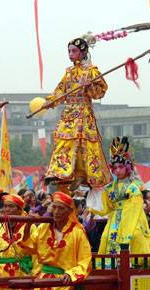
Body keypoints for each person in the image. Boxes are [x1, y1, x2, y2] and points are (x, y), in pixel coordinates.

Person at [43, 37, 112, 190]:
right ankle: (61, 171)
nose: (70, 54)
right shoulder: (68, 73)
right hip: (69, 112)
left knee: (83, 143)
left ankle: (83, 174)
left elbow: (100, 92)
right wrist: (50, 101)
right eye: (69, 51)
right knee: (63, 139)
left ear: (83, 52)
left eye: (74, 51)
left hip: (83, 112)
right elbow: (60, 91)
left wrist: (90, 86)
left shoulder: (91, 71)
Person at [33, 192, 92, 290]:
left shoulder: (77, 232)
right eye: (54, 207)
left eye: (61, 208)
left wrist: (72, 274)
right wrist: (29, 226)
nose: (57, 212)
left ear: (70, 211)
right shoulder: (43, 228)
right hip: (45, 282)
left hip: (64, 283)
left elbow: (85, 260)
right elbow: (28, 247)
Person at [88, 137, 150, 259]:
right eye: (115, 167)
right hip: (114, 220)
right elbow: (107, 209)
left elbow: (135, 207)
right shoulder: (109, 188)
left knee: (135, 236)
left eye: (120, 167)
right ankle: (109, 266)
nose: (117, 170)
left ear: (127, 168)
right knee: (106, 237)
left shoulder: (134, 187)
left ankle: (135, 264)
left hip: (133, 218)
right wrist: (93, 211)